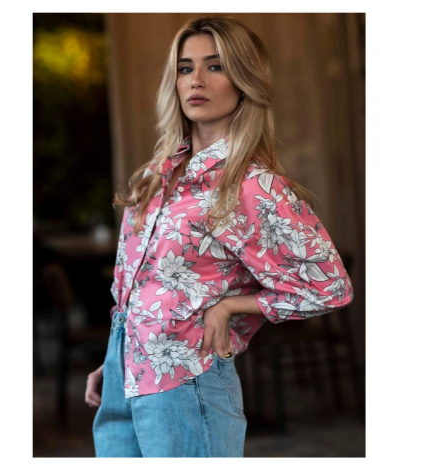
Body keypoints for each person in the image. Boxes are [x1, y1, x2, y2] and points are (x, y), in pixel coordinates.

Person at [85, 14, 353, 458]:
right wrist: (114, 361)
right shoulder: (154, 176)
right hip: (124, 373)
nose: (197, 80)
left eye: (215, 66)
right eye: (185, 68)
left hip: (185, 382)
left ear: (244, 80)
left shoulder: (252, 185)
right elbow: (142, 288)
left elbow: (331, 287)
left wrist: (232, 306)